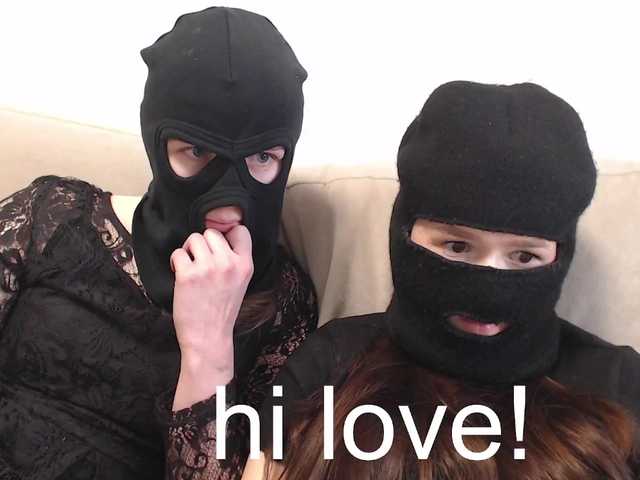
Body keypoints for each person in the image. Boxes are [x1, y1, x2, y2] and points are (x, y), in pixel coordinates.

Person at [245, 81, 640, 479]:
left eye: (523, 256)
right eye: (456, 246)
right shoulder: (329, 364)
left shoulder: (620, 384)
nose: (488, 292)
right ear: (403, 234)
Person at [0, 7, 317, 480]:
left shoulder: (282, 304)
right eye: (198, 150)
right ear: (157, 144)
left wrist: (209, 350)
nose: (229, 195)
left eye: (262, 157)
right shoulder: (52, 214)